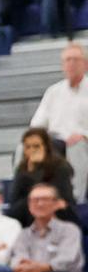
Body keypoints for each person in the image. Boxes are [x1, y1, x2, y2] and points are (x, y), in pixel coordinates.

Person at [28, 41, 88, 199]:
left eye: (76, 60)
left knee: (76, 145)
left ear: (86, 64)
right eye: (68, 60)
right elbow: (37, 124)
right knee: (26, 145)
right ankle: (29, 194)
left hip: (82, 142)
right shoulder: (53, 92)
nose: (72, 64)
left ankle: (75, 198)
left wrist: (84, 135)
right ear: (63, 65)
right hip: (55, 142)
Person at [7, 127, 77, 228]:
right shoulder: (22, 169)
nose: (32, 150)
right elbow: (14, 204)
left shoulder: (61, 167)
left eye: (36, 146)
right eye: (28, 147)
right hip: (28, 216)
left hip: (59, 216)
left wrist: (35, 172)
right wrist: (29, 172)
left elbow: (61, 199)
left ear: (46, 147)